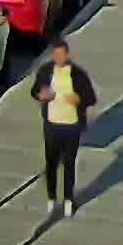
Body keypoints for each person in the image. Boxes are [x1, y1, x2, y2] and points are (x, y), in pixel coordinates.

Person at [27, 39, 95, 217]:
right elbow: (34, 91)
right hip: (52, 125)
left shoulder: (78, 74)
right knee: (51, 164)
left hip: (72, 126)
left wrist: (79, 100)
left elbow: (91, 97)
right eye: (55, 55)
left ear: (67, 54)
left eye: (61, 55)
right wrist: (41, 95)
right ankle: (51, 198)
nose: (58, 58)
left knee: (69, 165)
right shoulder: (46, 71)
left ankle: (68, 200)